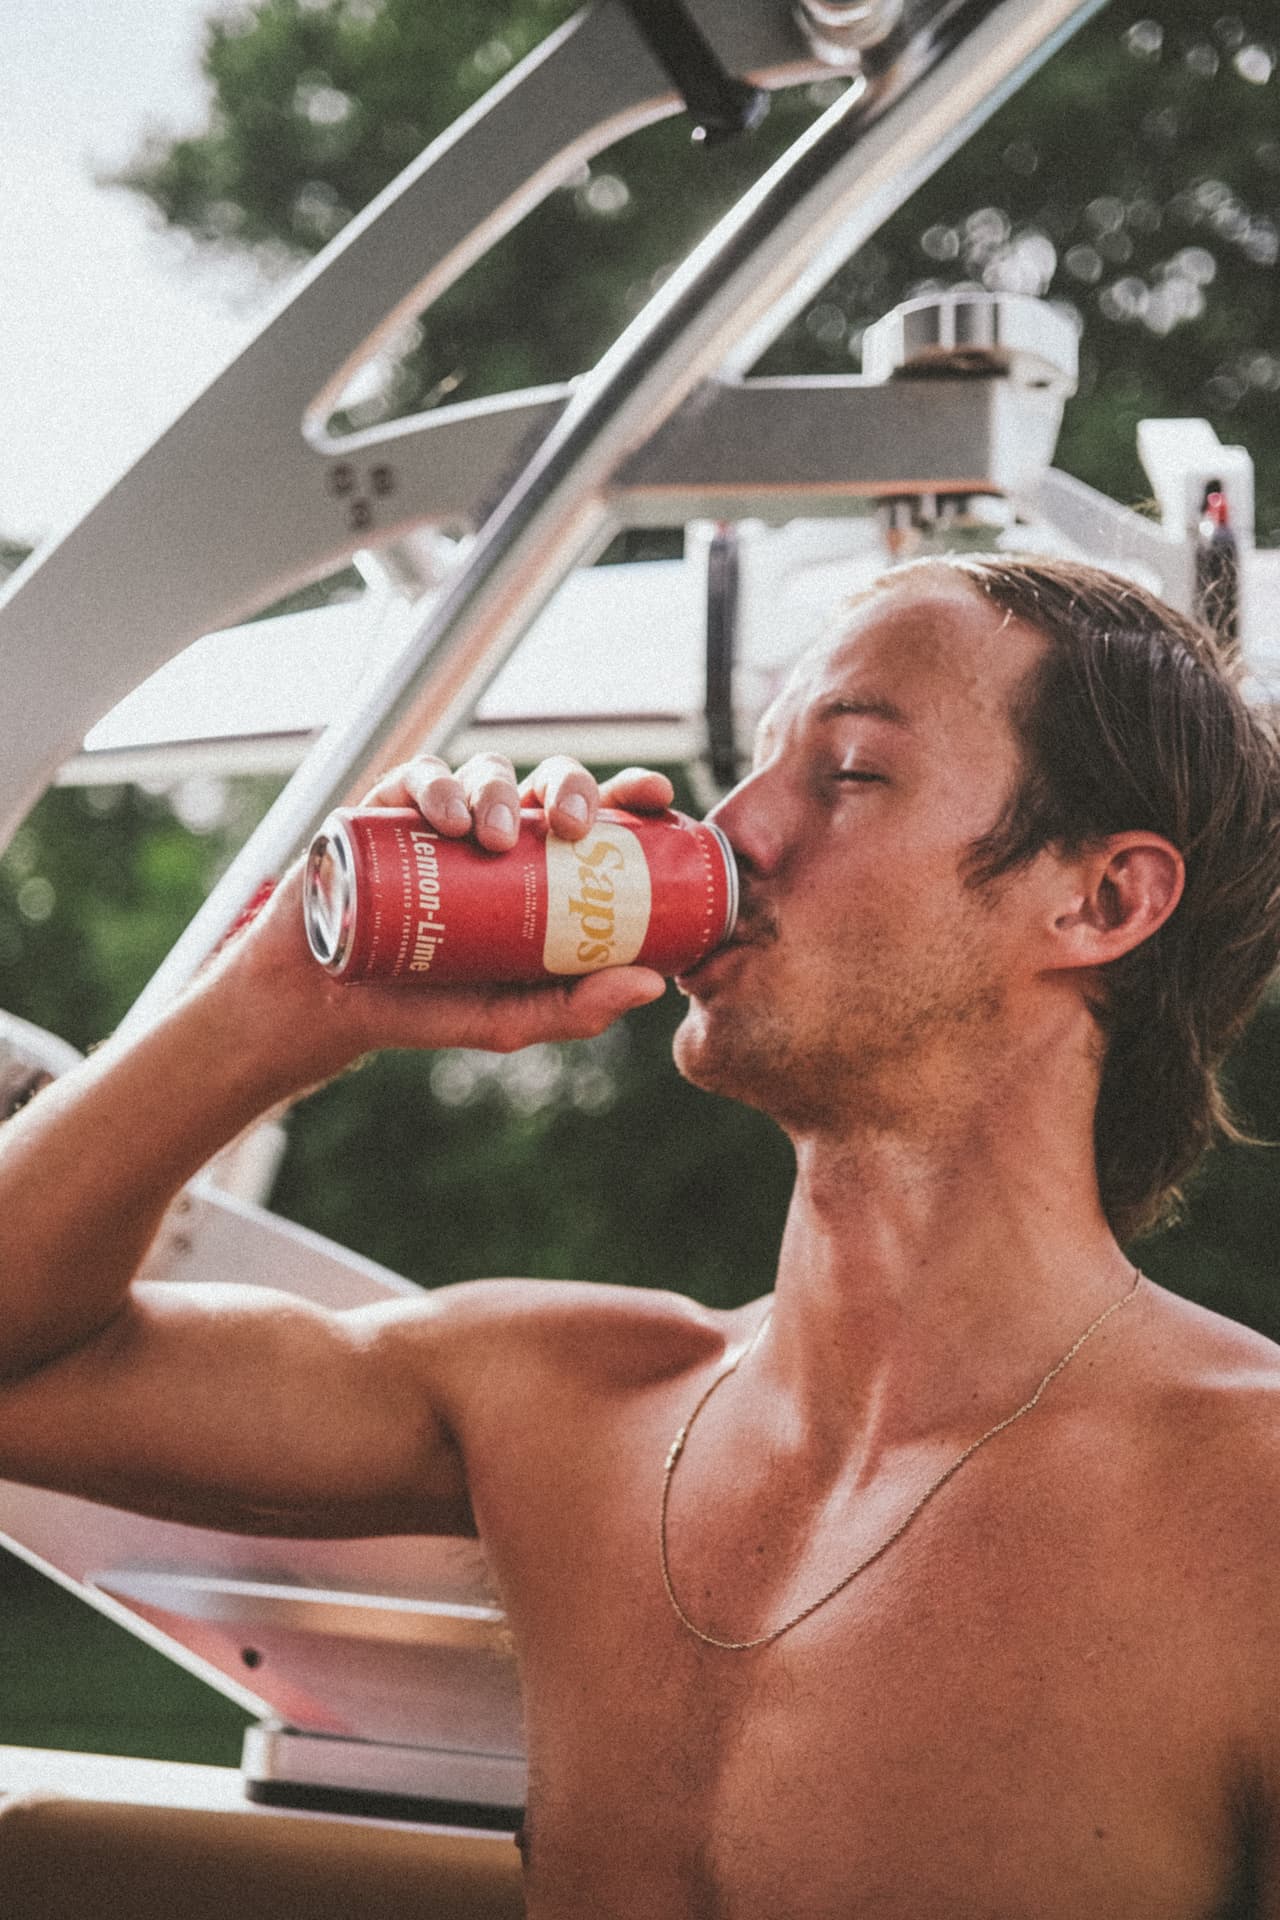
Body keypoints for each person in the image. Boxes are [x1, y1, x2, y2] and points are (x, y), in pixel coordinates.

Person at [2, 552, 1280, 1918]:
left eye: (848, 773)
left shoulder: (1247, 1508)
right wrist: (281, 1001)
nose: (733, 828)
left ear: (1103, 900)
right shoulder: (564, 1404)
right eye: (756, 766)